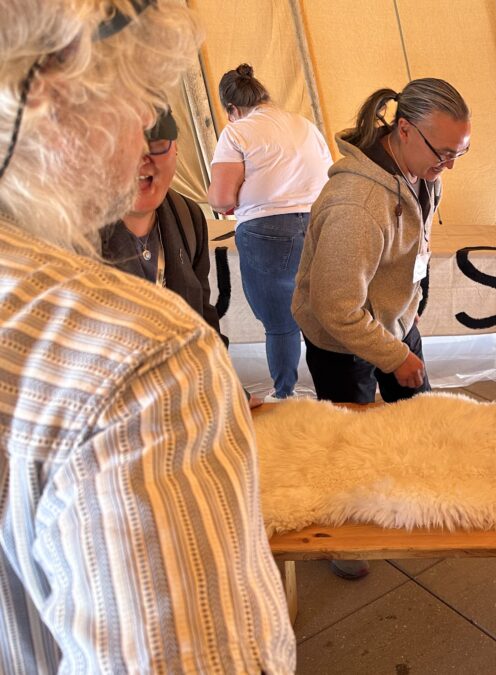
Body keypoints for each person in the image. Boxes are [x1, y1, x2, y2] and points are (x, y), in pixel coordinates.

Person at [0, 1, 294, 672]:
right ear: (51, 87)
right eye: (136, 90)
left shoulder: (182, 223)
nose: (144, 138)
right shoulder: (144, 368)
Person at [291, 78, 470, 580]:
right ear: (406, 131)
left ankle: (414, 492)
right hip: (342, 341)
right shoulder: (357, 206)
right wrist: (394, 355)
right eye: (445, 152)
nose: (450, 164)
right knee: (348, 441)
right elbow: (336, 309)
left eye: (461, 151)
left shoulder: (422, 170)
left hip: (394, 322)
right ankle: (342, 536)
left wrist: (406, 322)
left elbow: (413, 250)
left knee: (419, 413)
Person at [208, 63, 332, 401]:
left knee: (281, 323)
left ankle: (285, 393)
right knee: (326, 315)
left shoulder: (237, 132)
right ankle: (337, 391)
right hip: (321, 225)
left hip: (267, 231)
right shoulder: (306, 125)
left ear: (232, 109)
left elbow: (220, 198)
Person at [100, 108, 221, 333]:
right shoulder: (69, 234)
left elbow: (204, 320)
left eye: (155, 142)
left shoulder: (188, 218)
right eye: (121, 144)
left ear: (176, 147)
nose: (138, 159)